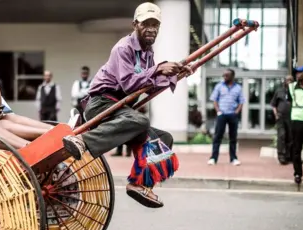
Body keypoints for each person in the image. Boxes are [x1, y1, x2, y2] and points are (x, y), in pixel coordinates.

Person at [61, 2, 192, 208]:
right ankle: (83, 140)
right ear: (135, 25)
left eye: (155, 25)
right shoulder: (124, 47)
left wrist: (174, 75)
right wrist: (158, 69)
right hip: (101, 103)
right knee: (140, 120)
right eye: (146, 24)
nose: (151, 29)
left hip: (121, 108)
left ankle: (139, 185)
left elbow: (147, 86)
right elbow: (130, 83)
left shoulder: (148, 53)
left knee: (164, 138)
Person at [207, 68, 244, 166]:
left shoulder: (238, 88)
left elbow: (241, 101)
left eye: (226, 75)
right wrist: (218, 111)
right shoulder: (219, 86)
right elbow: (214, 99)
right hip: (222, 115)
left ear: (232, 76)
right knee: (217, 137)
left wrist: (236, 112)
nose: (224, 77)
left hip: (233, 115)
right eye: (223, 75)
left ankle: (233, 159)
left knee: (233, 138)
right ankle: (213, 158)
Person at [271, 75, 294, 165]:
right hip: (280, 117)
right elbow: (273, 104)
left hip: (292, 117)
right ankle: (281, 157)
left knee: (291, 137)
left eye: (291, 80)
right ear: (284, 81)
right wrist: (276, 114)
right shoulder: (279, 91)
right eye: (287, 80)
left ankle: (289, 157)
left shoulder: (295, 91)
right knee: (282, 136)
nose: (289, 81)